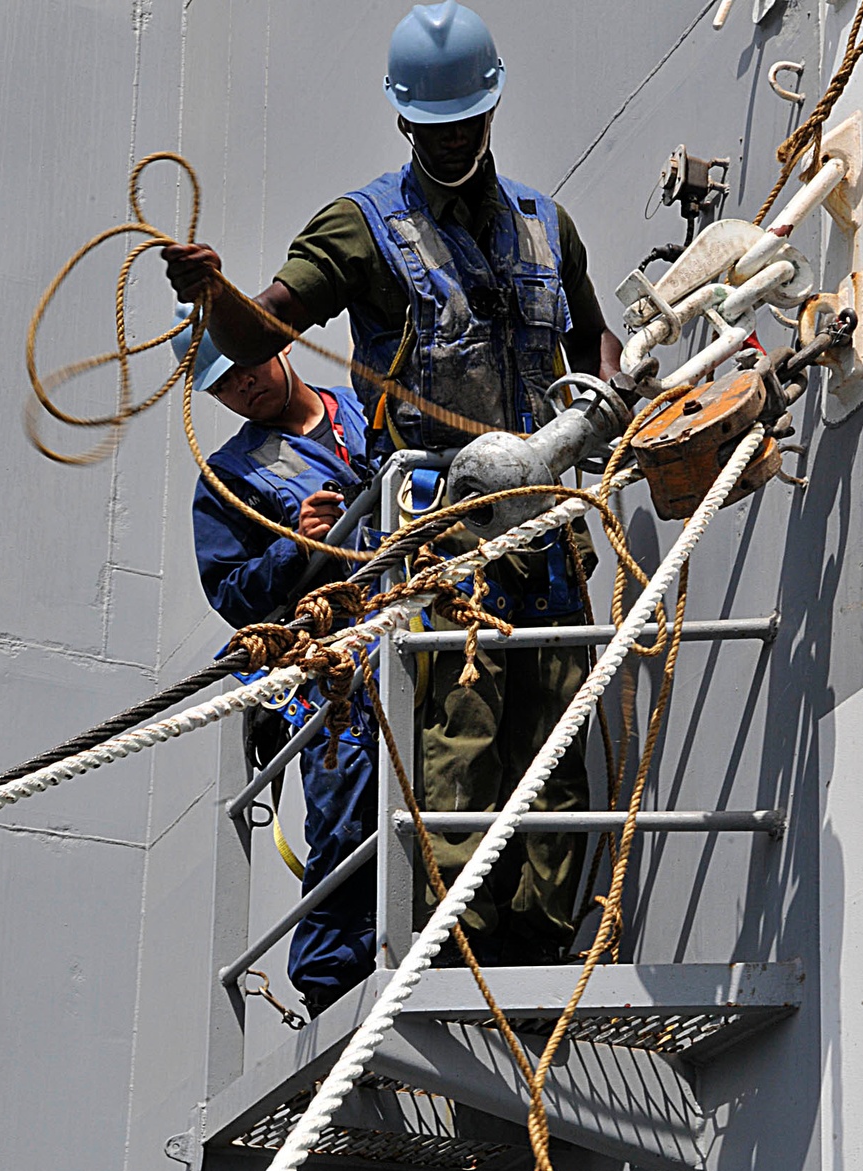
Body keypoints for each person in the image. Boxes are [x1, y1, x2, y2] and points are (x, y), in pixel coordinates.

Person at [164, 2, 624, 963]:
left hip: (547, 533)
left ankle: (536, 951)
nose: (451, 141)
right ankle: (462, 957)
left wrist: (609, 399)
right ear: (404, 122)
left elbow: (592, 338)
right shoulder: (365, 229)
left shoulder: (547, 226)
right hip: (440, 538)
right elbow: (266, 327)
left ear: (491, 115)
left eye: (466, 124)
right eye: (433, 128)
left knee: (560, 742)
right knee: (457, 741)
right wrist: (216, 296)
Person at [175, 311, 378, 1016]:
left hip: (424, 628)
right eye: (224, 385)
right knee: (346, 804)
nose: (243, 387)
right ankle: (334, 991)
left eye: (246, 364)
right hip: (335, 666)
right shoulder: (228, 478)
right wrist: (296, 546)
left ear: (279, 342)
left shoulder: (369, 406)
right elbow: (232, 593)